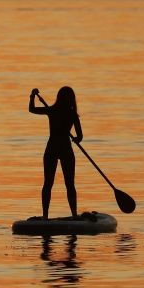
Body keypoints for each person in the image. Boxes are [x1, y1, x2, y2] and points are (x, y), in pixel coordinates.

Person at [29, 87, 83, 220]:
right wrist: (76, 139)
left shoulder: (53, 110)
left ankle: (45, 216)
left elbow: (32, 109)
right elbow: (80, 136)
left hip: (53, 148)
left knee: (49, 183)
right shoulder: (72, 114)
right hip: (64, 149)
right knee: (69, 184)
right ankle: (74, 214)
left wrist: (32, 96)